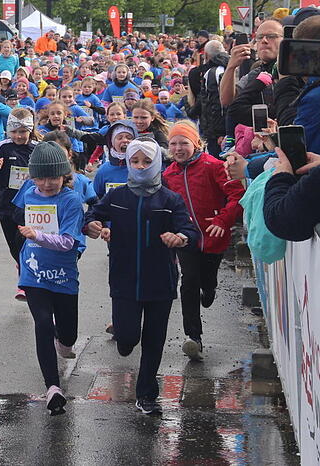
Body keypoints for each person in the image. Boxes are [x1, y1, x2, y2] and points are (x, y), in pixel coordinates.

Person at [83, 139, 200, 415]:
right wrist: (91, 224)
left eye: (147, 162)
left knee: (154, 339)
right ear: (128, 164)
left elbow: (191, 232)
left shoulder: (170, 199)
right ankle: (124, 341)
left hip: (161, 280)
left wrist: (180, 237)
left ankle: (147, 394)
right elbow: (93, 214)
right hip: (123, 278)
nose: (140, 166)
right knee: (127, 337)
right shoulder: (118, 196)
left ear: (158, 163)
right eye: (135, 161)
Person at [12, 141, 85, 415]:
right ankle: (52, 388)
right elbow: (14, 215)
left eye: (53, 177)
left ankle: (63, 342)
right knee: (42, 322)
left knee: (67, 336)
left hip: (64, 274)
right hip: (34, 273)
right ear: (32, 177)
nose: (47, 183)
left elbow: (68, 242)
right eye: (40, 177)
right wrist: (20, 244)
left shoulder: (71, 200)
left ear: (64, 175)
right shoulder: (29, 193)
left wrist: (37, 235)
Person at [162, 122, 244, 360]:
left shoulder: (214, 166)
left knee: (206, 283)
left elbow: (236, 195)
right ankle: (193, 337)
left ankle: (210, 289)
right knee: (188, 282)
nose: (178, 148)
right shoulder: (169, 174)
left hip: (215, 238)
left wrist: (223, 220)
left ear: (196, 144)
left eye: (184, 143)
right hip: (186, 239)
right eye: (174, 144)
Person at [0, 109, 38, 298]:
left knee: (26, 243)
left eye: (23, 131)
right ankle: (20, 264)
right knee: (14, 246)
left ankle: (25, 281)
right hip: (6, 205)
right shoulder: (2, 147)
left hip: (30, 205)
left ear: (30, 130)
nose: (19, 136)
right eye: (15, 131)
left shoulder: (38, 148)